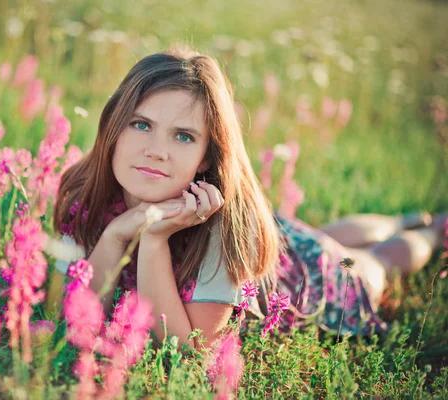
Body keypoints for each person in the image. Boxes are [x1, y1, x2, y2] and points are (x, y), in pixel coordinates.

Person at [47, 45, 447, 349]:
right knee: (326, 235)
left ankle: (429, 230)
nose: (157, 150)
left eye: (183, 136)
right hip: (279, 243)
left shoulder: (226, 230)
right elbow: (75, 309)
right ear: (114, 127)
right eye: (141, 124)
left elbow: (186, 347)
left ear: (207, 158)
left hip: (296, 278)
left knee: (372, 264)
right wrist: (117, 232)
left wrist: (153, 237)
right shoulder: (87, 192)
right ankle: (398, 220)